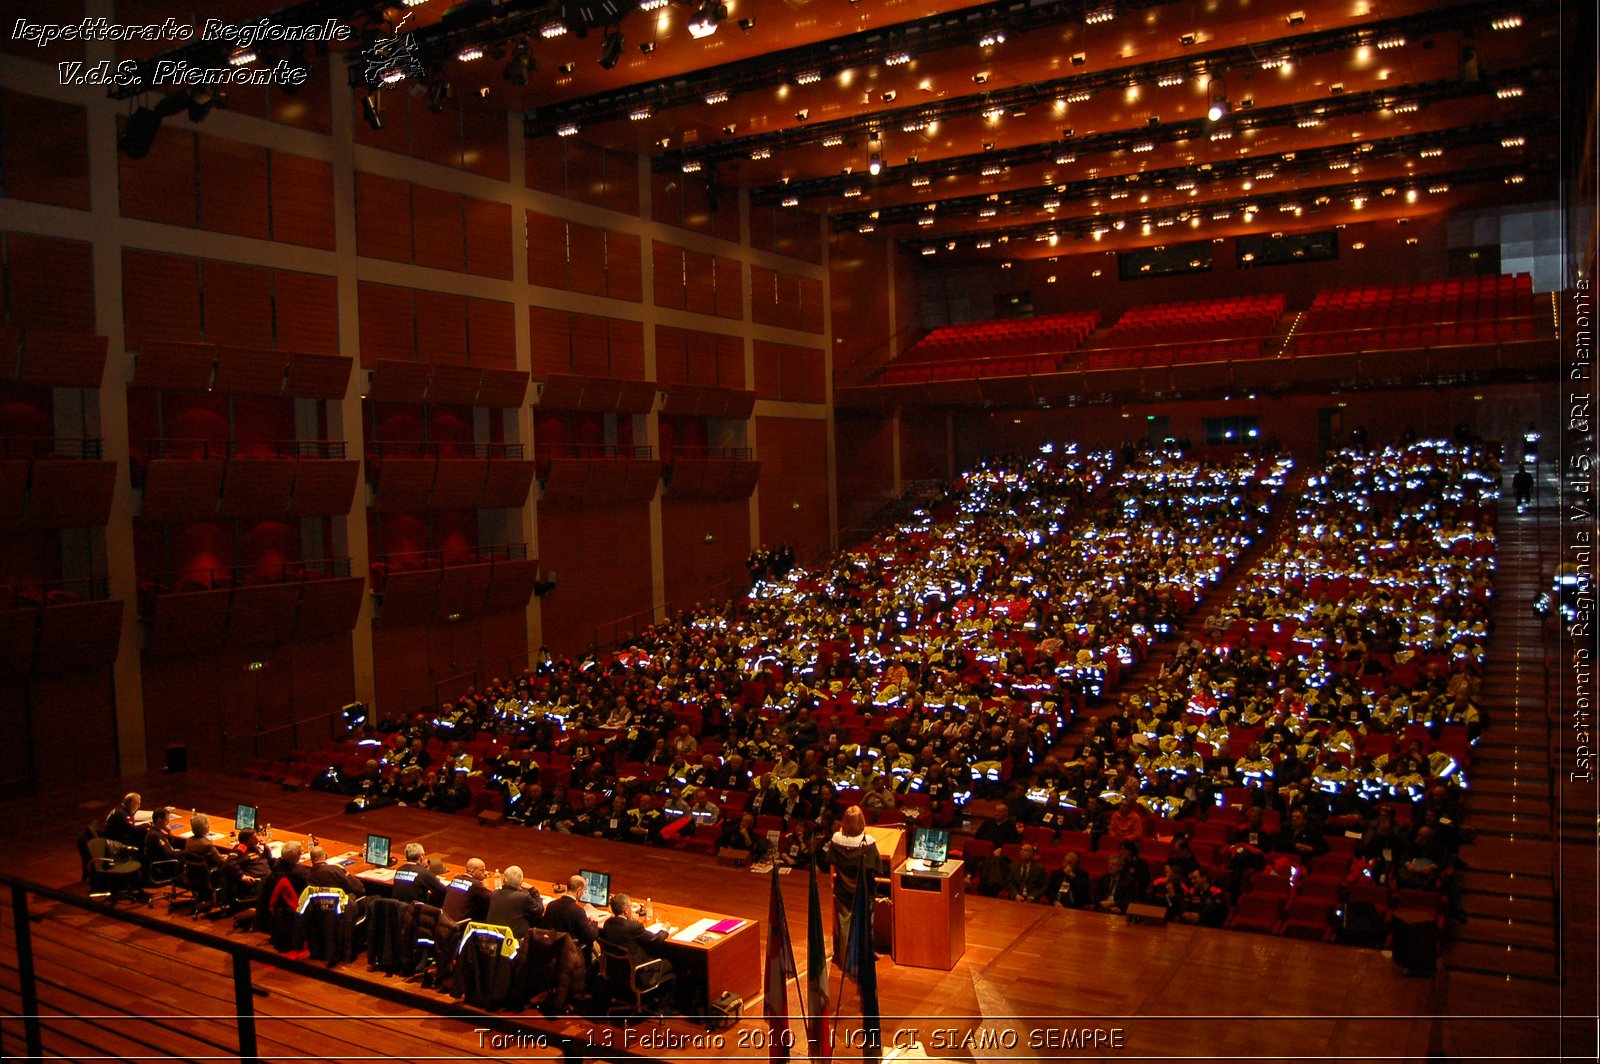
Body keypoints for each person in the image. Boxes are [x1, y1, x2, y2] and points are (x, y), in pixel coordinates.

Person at [826, 806, 882, 963]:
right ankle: (863, 961)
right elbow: (877, 868)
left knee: (845, 926)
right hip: (864, 892)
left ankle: (845, 960)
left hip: (843, 890)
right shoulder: (868, 844)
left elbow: (830, 861)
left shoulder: (836, 841)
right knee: (865, 926)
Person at [599, 892, 672, 990]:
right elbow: (655, 940)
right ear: (626, 910)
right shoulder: (633, 927)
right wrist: (665, 929)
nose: (632, 910)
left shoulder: (608, 924)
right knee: (671, 962)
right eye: (630, 907)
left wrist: (632, 922)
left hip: (615, 971)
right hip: (639, 973)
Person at [545, 875, 602, 955]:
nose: (582, 894)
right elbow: (591, 936)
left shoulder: (551, 905)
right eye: (583, 891)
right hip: (573, 954)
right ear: (579, 890)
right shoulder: (578, 911)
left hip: (553, 951)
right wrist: (595, 922)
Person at [486, 865, 543, 937]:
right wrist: (533, 890)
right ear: (521, 882)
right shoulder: (523, 897)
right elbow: (540, 910)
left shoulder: (494, 893)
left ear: (504, 880)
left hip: (493, 935)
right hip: (514, 937)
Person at [392, 842, 446, 906]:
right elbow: (443, 891)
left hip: (397, 910)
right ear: (421, 856)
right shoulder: (423, 873)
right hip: (414, 912)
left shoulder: (399, 870)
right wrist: (435, 880)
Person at [442, 858, 493, 924]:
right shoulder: (476, 884)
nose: (484, 873)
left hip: (443, 921)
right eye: (482, 870)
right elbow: (492, 897)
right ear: (472, 871)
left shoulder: (456, 878)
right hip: (458, 925)